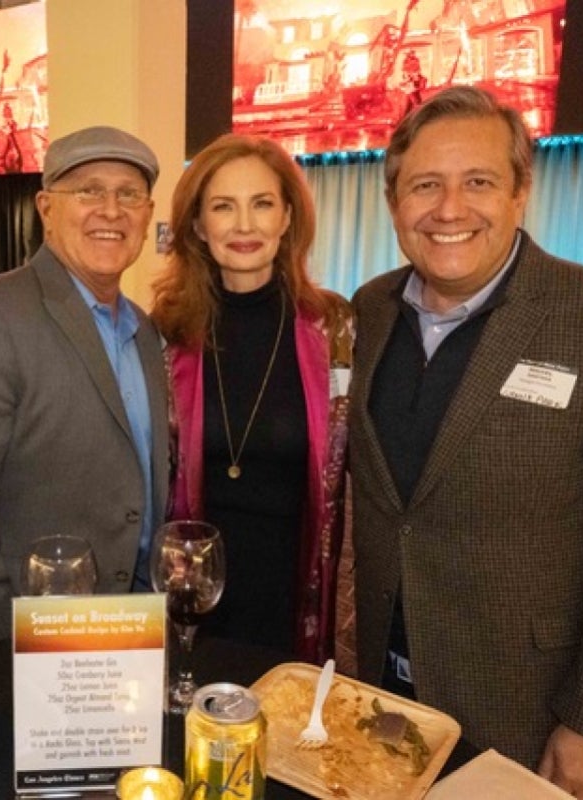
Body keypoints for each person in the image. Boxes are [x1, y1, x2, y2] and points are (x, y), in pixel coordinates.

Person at [349, 86, 583, 799]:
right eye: (424, 186)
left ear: (519, 193)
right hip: (380, 687)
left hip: (529, 706)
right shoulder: (371, 309)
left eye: (477, 181)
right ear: (393, 204)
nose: (449, 209)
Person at [0, 126, 170, 645]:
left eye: (129, 195)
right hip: (28, 641)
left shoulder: (143, 331)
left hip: (131, 626)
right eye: (89, 190)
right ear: (46, 209)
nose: (111, 210)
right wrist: (0, 645)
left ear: (148, 214)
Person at [151, 134, 352, 660]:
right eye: (223, 206)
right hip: (193, 595)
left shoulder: (336, 330)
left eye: (262, 203)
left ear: (287, 218)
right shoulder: (163, 336)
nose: (244, 225)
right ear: (197, 225)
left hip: (296, 588)